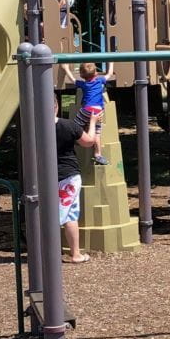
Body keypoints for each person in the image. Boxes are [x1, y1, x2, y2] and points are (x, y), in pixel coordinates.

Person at [53, 92, 99, 262]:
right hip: (68, 176)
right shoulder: (68, 126)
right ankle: (67, 253)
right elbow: (88, 142)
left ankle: (70, 253)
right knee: (65, 214)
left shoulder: (36, 128)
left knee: (63, 214)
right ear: (56, 106)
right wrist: (93, 123)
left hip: (45, 177)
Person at [69, 61, 112, 165]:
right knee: (97, 133)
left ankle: (74, 140)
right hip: (98, 111)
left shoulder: (84, 84)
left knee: (75, 125)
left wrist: (66, 69)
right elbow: (109, 74)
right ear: (96, 73)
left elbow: (73, 80)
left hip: (87, 110)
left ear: (82, 75)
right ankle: (98, 155)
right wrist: (111, 62)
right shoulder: (100, 81)